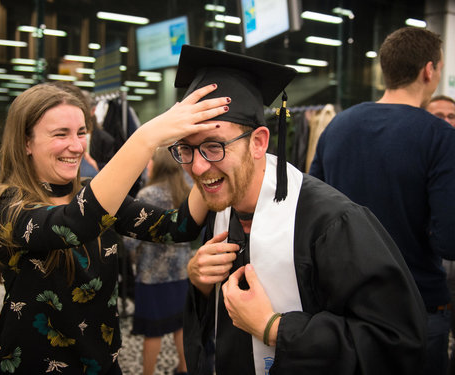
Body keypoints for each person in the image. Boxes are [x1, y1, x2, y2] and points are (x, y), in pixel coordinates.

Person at [169, 44, 426, 375]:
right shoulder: (221, 207)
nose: (199, 167)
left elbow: (396, 341)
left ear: (259, 142)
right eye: (186, 149)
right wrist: (200, 284)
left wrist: (275, 328)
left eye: (214, 146)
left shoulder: (332, 222)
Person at [0, 82, 229, 374]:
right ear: (26, 142)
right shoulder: (5, 204)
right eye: (61, 134)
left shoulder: (94, 194)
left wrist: (205, 158)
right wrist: (146, 138)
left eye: (81, 133)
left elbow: (178, 227)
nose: (76, 146)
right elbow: (72, 224)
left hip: (102, 364)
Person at [309, 27, 455, 375]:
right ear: (429, 71)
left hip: (344, 306)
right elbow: (449, 240)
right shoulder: (441, 138)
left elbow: (310, 211)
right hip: (416, 305)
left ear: (384, 71)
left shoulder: (337, 128)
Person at [124, 148, 192, 375]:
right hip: (182, 273)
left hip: (152, 276)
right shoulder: (188, 191)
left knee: (153, 331)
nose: (148, 165)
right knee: (179, 325)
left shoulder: (147, 196)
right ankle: (184, 368)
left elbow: (130, 242)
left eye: (150, 160)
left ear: (157, 164)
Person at [425, 94, 455, 374]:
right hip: (433, 280)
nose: (446, 122)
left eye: (451, 117)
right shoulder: (421, 160)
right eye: (439, 116)